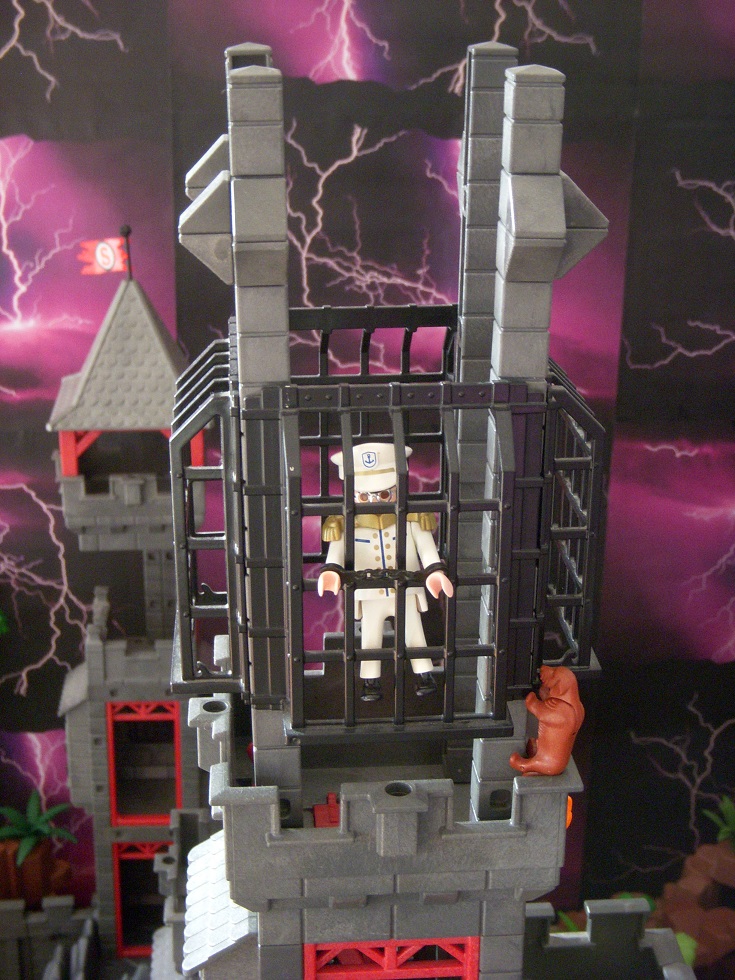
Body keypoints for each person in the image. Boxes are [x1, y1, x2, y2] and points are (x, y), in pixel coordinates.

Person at [317, 442, 453, 701]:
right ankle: (371, 680)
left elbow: (427, 550)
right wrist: (331, 572)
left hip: (406, 589)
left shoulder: (411, 519)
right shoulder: (346, 525)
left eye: (383, 494)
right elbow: (335, 555)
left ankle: (424, 674)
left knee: (414, 633)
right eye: (365, 496)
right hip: (369, 593)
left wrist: (434, 572)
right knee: (370, 638)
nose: (374, 501)